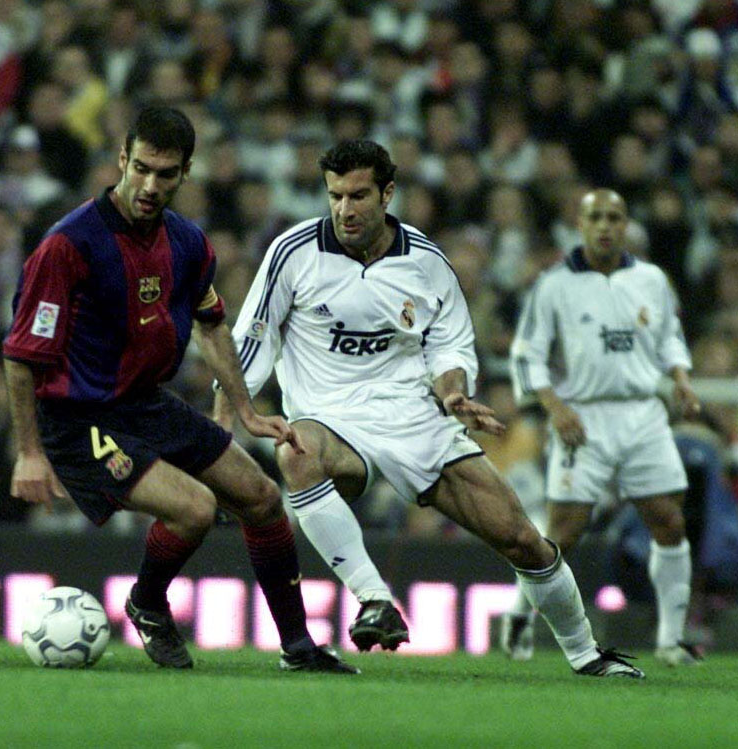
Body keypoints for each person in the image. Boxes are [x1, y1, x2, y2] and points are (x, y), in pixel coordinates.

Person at [214, 139, 643, 678]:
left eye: (358, 196)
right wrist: (224, 423)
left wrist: (453, 393)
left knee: (522, 540)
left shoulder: (427, 263)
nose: (344, 210)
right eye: (335, 196)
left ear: (388, 193)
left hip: (415, 419)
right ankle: (373, 599)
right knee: (296, 452)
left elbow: (451, 347)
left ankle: (587, 654)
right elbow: (251, 340)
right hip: (329, 417)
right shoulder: (292, 252)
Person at [2, 104, 357, 674]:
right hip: (77, 418)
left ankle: (298, 647)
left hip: (144, 403)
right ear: (121, 159)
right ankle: (146, 603)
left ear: (185, 174)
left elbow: (212, 322)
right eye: (140, 168)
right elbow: (21, 357)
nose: (149, 184)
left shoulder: (187, 243)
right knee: (194, 509)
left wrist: (244, 408)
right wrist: (29, 452)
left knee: (263, 498)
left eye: (165, 174)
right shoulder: (68, 246)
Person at [504, 188, 702, 667]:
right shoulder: (554, 285)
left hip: (643, 414)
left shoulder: (652, 279)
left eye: (615, 217)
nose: (606, 226)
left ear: (626, 223)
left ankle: (670, 641)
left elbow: (671, 339)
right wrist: (556, 407)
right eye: (596, 218)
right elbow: (527, 354)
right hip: (584, 416)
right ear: (581, 224)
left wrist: (680, 380)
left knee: (669, 521)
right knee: (564, 531)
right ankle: (518, 616)